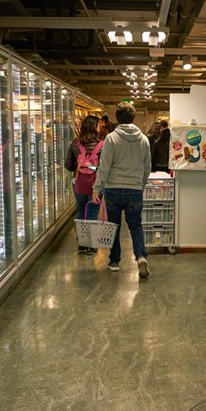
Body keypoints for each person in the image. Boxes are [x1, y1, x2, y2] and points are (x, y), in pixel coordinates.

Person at [92, 101, 151, 278]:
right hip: (134, 189)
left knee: (114, 225)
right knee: (136, 225)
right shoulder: (143, 139)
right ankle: (140, 256)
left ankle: (115, 261)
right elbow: (147, 167)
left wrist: (97, 188)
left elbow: (104, 166)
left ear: (117, 118)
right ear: (133, 117)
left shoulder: (111, 138)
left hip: (113, 189)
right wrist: (141, 184)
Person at [65, 115, 103, 254]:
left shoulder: (75, 143)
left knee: (81, 211)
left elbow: (68, 164)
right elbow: (103, 168)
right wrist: (92, 168)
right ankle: (91, 246)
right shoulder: (102, 145)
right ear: (95, 127)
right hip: (96, 184)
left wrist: (80, 168)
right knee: (92, 213)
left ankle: (82, 244)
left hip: (79, 183)